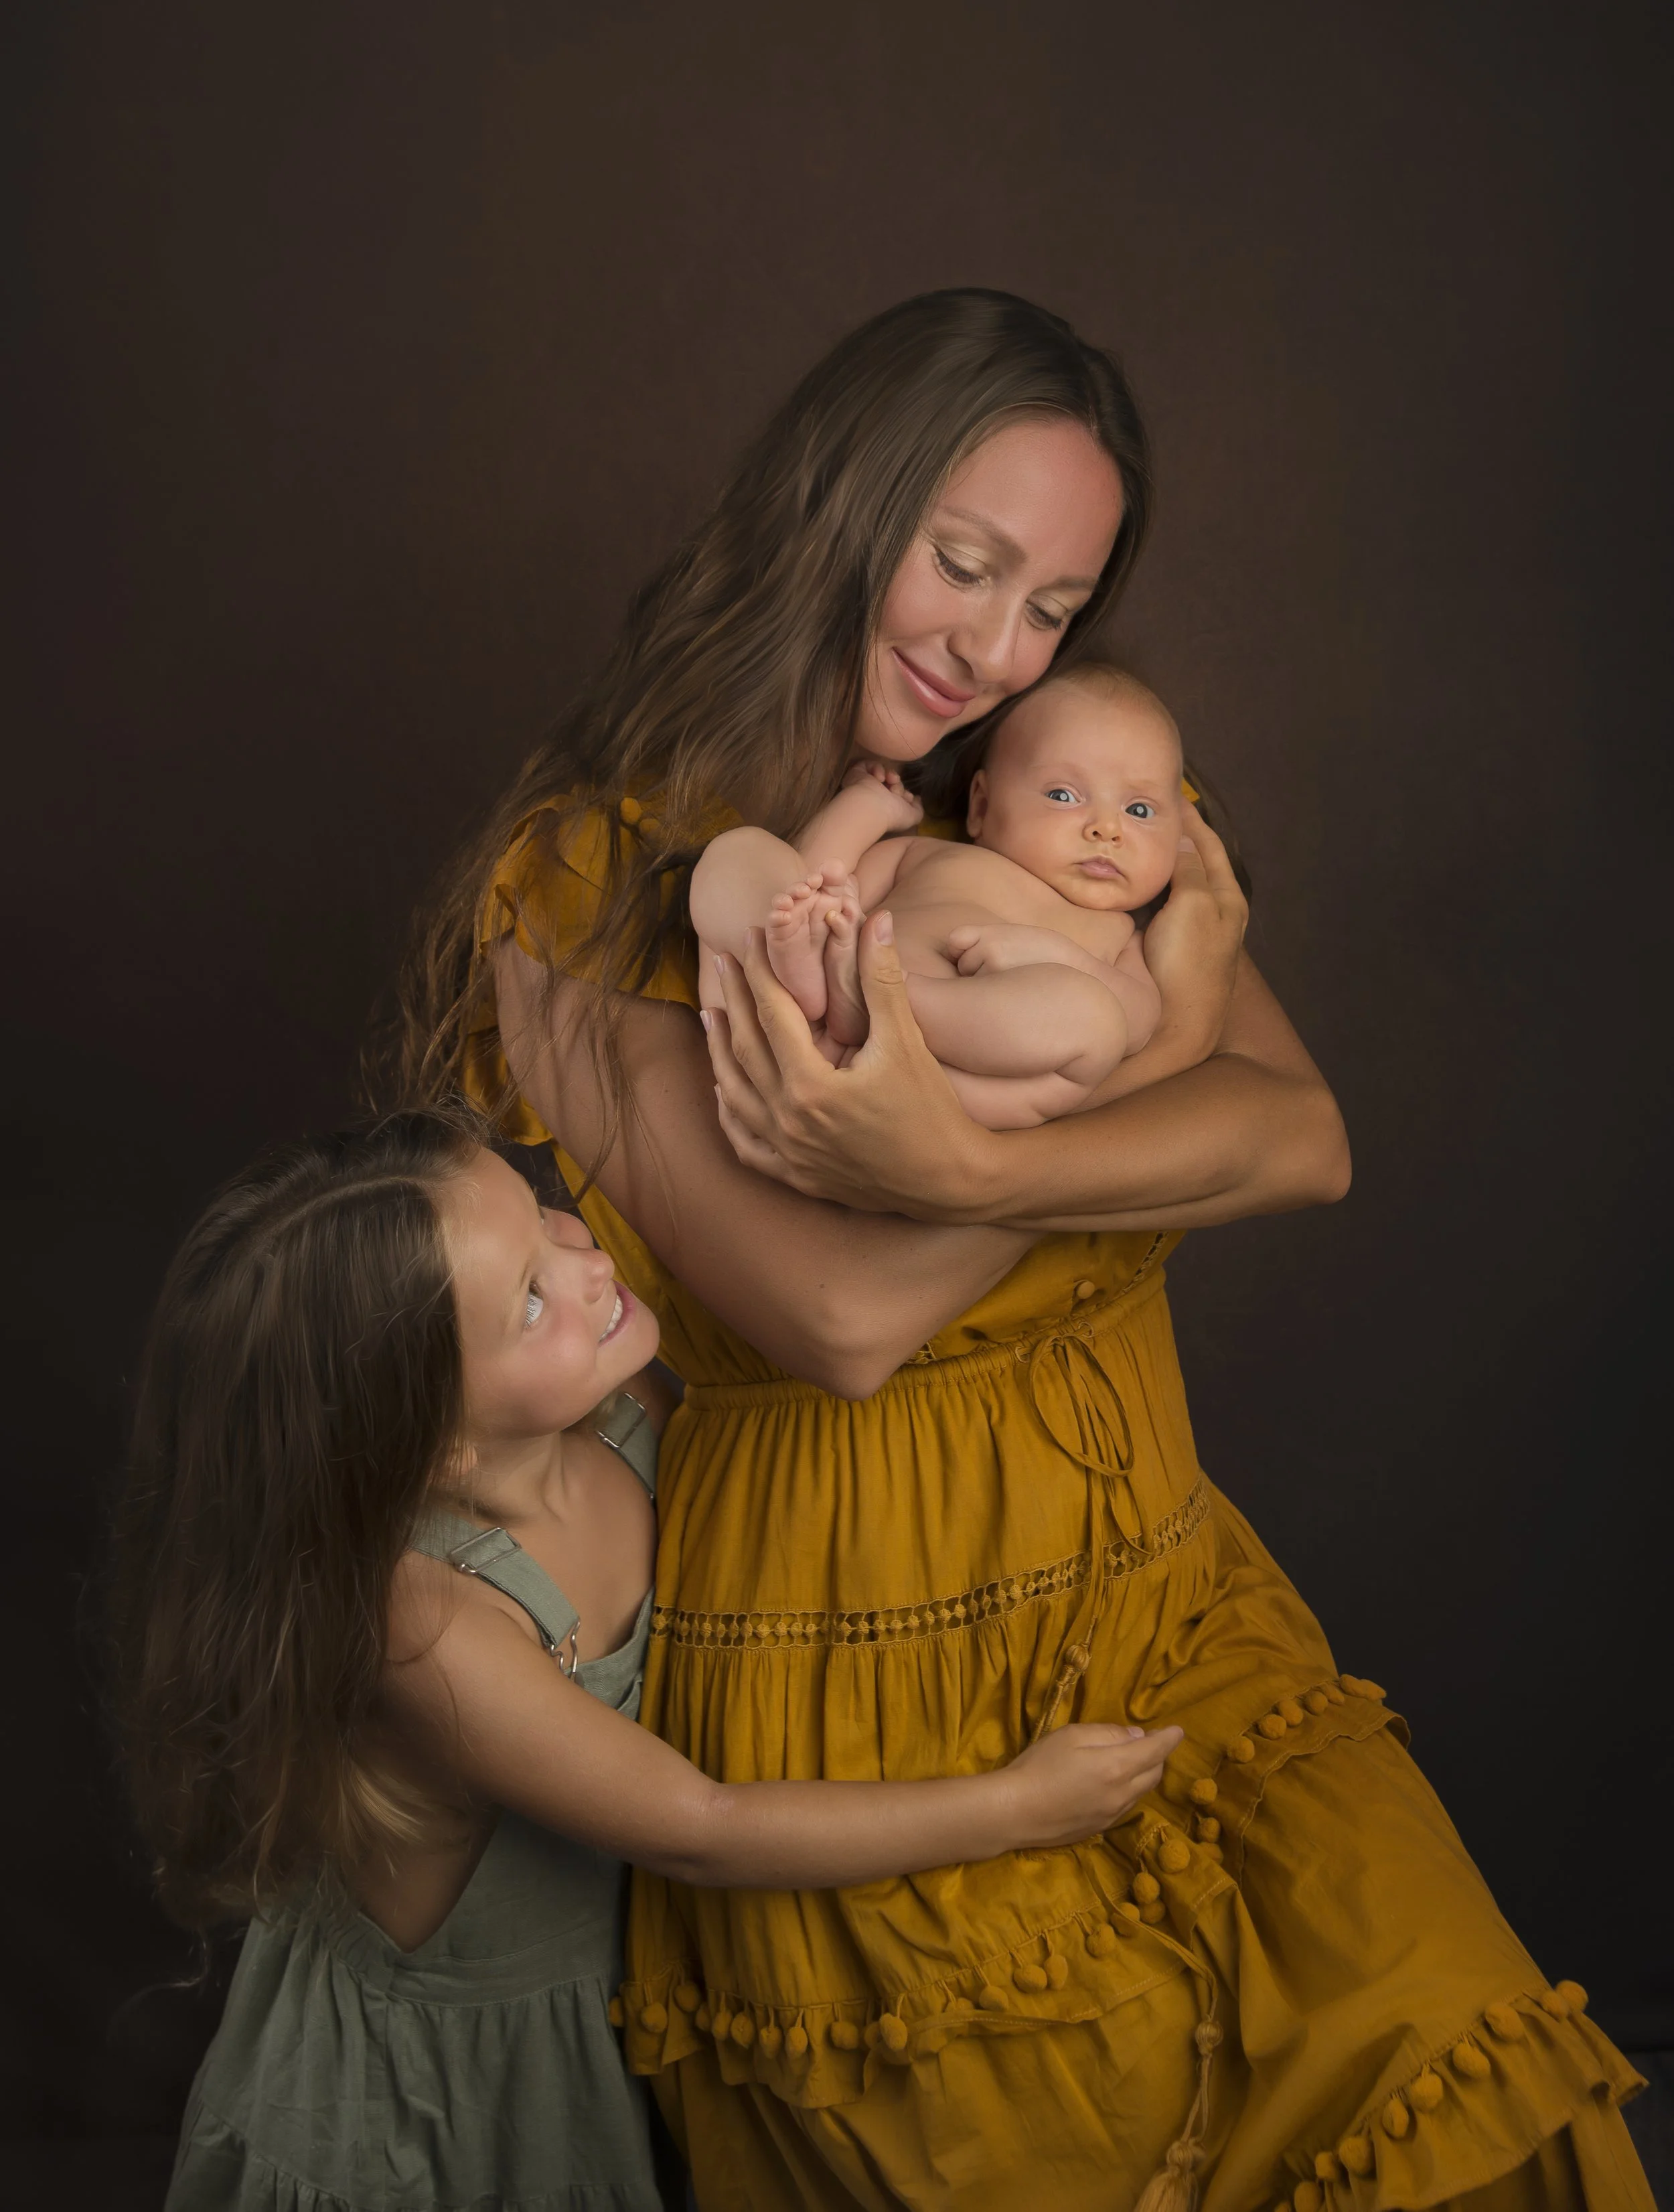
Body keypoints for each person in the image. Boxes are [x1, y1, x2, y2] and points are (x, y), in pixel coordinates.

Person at [401, 291, 1652, 2209]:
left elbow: (1299, 1133)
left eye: (1055, 602)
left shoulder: (1053, 794)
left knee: (1468, 2090)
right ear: (835, 507)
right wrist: (1133, 1067)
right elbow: (836, 1313)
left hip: (1169, 1606)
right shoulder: (592, 879)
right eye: (964, 563)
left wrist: (944, 1154)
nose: (995, 647)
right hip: (865, 1668)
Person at [110, 1106, 1181, 2212]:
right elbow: (700, 1825)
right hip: (432, 2107)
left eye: (543, 1215)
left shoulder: (625, 1408)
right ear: (437, 1440)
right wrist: (1015, 1805)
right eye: (529, 1299)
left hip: (613, 2013)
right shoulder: (428, 1622)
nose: (587, 1262)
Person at [690, 665, 1188, 1125]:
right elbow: (816, 878)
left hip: (928, 1086)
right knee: (740, 853)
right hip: (799, 1020)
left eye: (1140, 811)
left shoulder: (1121, 934)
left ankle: (877, 998)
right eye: (1063, 795)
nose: (1107, 829)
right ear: (981, 806)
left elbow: (1138, 1022)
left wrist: (1057, 955)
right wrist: (868, 808)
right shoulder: (930, 855)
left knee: (1098, 1021)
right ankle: (832, 986)